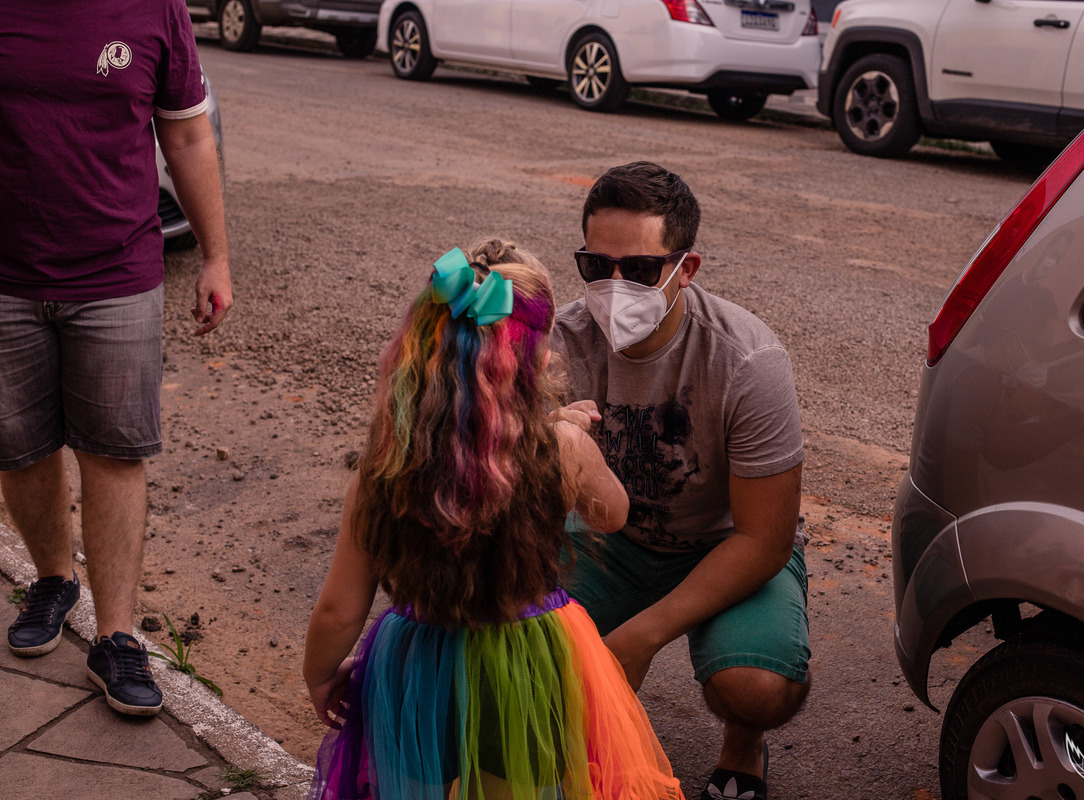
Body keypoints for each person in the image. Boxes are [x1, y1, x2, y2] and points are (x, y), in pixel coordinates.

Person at [303, 240, 682, 800]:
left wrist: (319, 677)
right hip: (528, 664)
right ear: (539, 357)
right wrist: (571, 434)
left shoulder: (385, 465)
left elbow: (339, 607)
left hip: (416, 665)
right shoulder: (561, 448)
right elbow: (613, 515)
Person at [0, 0, 232, 717]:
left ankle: (117, 636)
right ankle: (51, 580)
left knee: (115, 452)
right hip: (6, 276)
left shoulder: (155, 8)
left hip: (117, 273)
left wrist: (216, 255)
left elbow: (188, 137)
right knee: (19, 448)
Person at [553, 162, 809, 800]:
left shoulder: (747, 359)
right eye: (595, 266)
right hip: (608, 539)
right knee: (507, 641)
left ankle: (743, 743)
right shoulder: (558, 344)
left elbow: (765, 538)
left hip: (724, 547)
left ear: (685, 269)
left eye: (638, 269)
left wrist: (638, 638)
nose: (614, 286)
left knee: (756, 687)